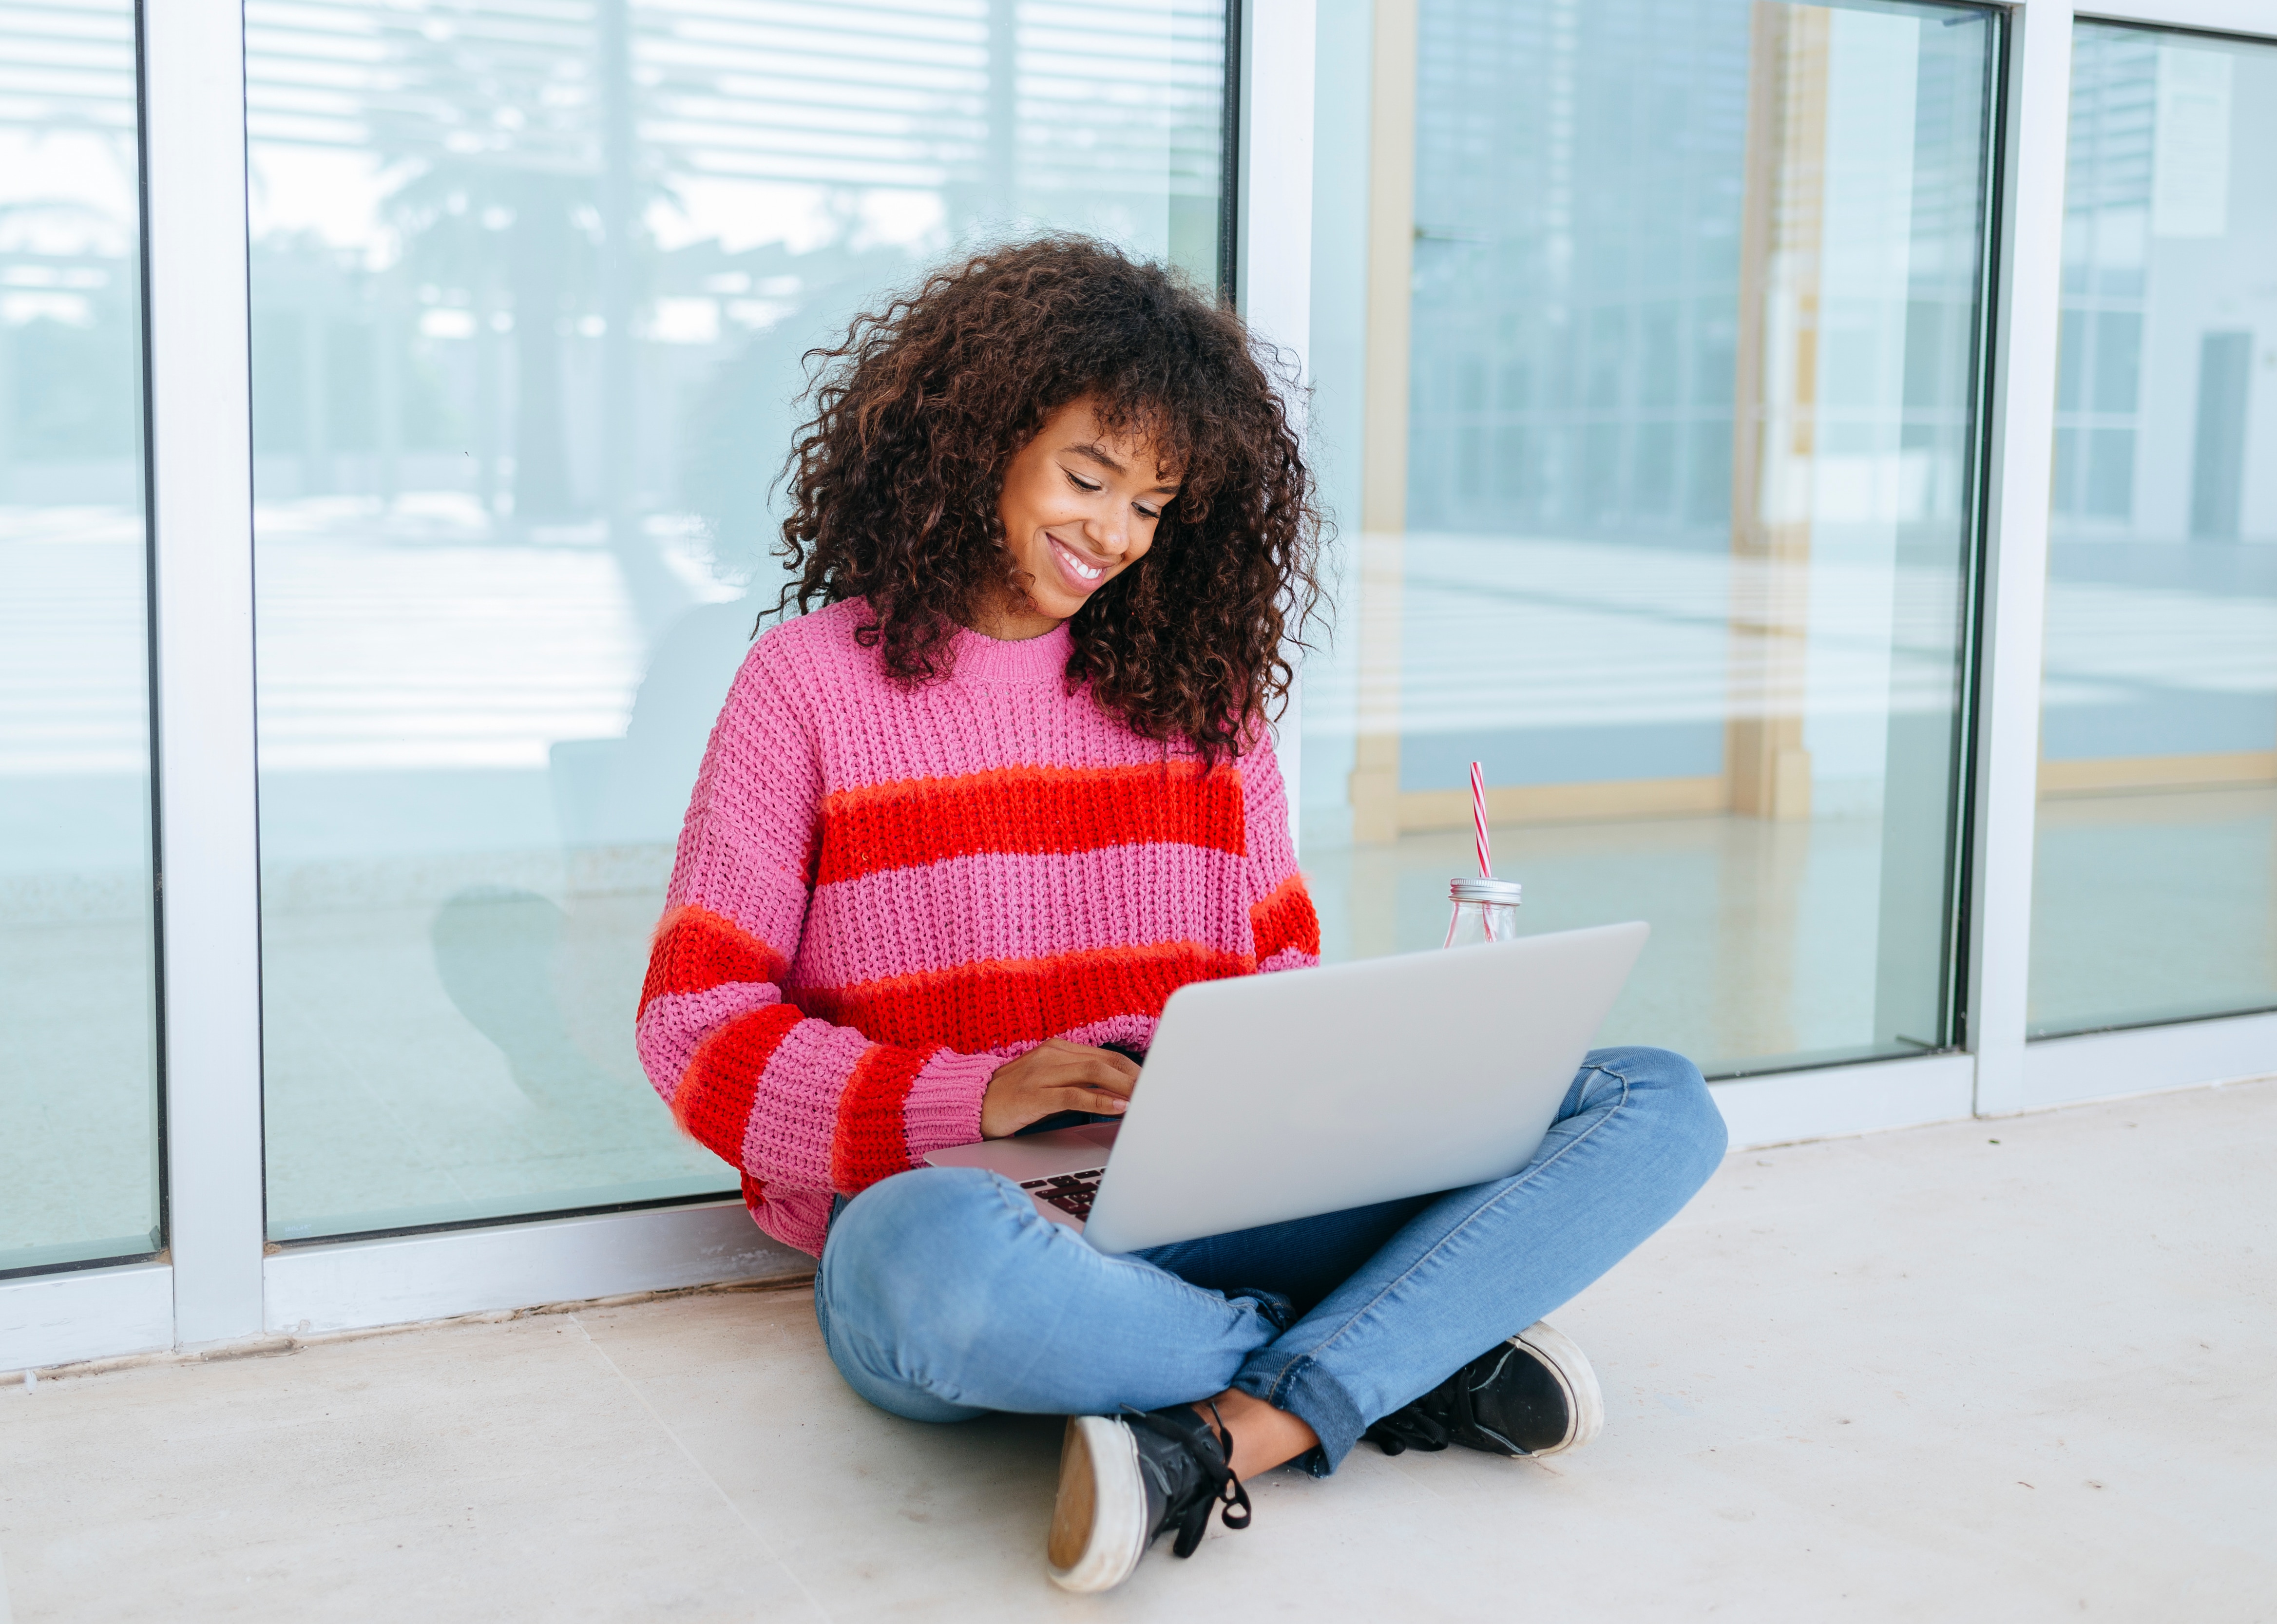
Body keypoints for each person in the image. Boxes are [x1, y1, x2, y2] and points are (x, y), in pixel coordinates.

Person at [635, 236, 1726, 1594]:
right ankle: (1402, 1356)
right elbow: (696, 1029)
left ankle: (1234, 1429)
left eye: (1154, 504)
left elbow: (1282, 974)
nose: (1115, 534)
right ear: (973, 440)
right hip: (971, 1219)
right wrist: (973, 1098)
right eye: (1087, 477)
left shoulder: (1202, 700)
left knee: (1656, 1099)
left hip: (1212, 1200)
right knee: (934, 1268)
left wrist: (1324, 1079)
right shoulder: (805, 688)